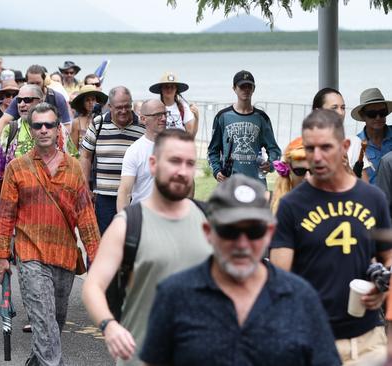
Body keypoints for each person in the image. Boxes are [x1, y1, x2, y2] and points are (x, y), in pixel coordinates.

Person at [140, 174, 340, 366]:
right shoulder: (174, 295)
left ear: (269, 233)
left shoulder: (301, 298)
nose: (242, 244)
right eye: (230, 231)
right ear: (208, 232)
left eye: (254, 231)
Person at [270, 109, 392, 364]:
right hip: (315, 340)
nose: (317, 157)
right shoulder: (292, 206)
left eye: (326, 147)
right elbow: (281, 280)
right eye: (310, 148)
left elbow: (388, 257)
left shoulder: (372, 198)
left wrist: (381, 288)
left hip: (369, 339)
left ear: (345, 146)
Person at [82, 129, 211, 365]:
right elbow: (93, 287)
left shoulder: (209, 220)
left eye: (190, 163)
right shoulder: (127, 225)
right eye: (174, 161)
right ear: (153, 164)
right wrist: (109, 326)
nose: (182, 171)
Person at [0, 102, 100, 365]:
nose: (43, 130)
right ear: (30, 129)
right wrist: (1, 255)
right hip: (30, 255)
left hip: (64, 256)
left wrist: (96, 258)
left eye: (49, 125)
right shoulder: (17, 167)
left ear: (57, 129)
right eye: (37, 125)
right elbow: (6, 214)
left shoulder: (73, 167)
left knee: (53, 324)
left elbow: (86, 216)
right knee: (42, 319)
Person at [0, 84, 76, 218]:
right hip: (16, 210)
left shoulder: (57, 129)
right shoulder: (11, 130)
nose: (22, 104)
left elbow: (73, 165)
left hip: (53, 209)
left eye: (28, 100)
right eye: (19, 100)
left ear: (41, 101)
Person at [80, 86, 145, 234]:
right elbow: (85, 156)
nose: (124, 111)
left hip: (133, 197)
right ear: (110, 106)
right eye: (119, 107)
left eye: (127, 106)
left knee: (130, 241)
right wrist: (86, 188)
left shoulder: (142, 126)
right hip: (104, 197)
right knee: (102, 240)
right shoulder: (98, 123)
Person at [207, 70, 281, 186]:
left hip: (256, 183)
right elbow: (213, 150)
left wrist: (270, 164)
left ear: (253, 89)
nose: (246, 90)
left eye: (249, 86)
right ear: (234, 88)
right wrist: (217, 171)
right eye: (242, 86)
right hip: (229, 183)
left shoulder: (262, 118)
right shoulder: (222, 117)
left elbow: (274, 149)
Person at [0, 64, 73, 148]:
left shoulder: (56, 98)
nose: (35, 86)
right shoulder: (20, 98)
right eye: (31, 83)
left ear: (44, 80)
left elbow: (66, 126)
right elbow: (4, 120)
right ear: (26, 82)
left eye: (38, 83)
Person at [116, 99, 167, 212]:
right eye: (157, 115)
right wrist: (125, 223)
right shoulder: (135, 151)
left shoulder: (176, 146)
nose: (163, 118)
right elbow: (124, 192)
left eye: (164, 114)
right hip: (144, 218)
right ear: (143, 119)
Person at [349, 88, 392, 183]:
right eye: (372, 114)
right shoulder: (355, 145)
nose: (378, 117)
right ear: (362, 115)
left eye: (382, 113)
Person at [148, 71, 198, 136]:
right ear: (161, 89)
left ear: (176, 90)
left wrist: (197, 118)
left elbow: (190, 134)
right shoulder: (155, 107)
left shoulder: (183, 107)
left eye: (172, 87)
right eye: (166, 87)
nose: (169, 89)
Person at [270, 137, 310, 213]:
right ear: (288, 168)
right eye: (300, 171)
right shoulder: (269, 205)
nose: (307, 177)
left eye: (314, 171)